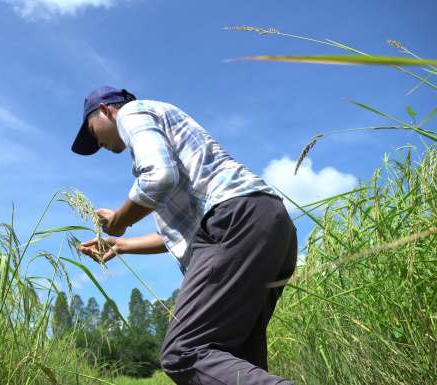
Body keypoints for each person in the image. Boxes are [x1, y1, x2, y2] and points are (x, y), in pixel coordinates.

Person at [73, 86, 297, 385]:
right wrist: (121, 245)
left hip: (233, 220)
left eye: (91, 130)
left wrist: (119, 220)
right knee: (232, 363)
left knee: (185, 352)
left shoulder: (132, 113)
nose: (97, 143)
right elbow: (186, 233)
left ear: (105, 110)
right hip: (265, 221)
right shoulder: (166, 126)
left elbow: (158, 177)